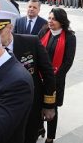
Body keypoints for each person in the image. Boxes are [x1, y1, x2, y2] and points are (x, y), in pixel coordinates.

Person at [0, 10, 56, 143]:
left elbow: (48, 74)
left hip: (31, 108)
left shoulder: (31, 42)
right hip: (0, 110)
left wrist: (49, 105)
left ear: (10, 28)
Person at [39, 8, 76, 143]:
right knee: (38, 105)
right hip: (39, 78)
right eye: (49, 18)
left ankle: (50, 138)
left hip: (55, 81)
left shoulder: (70, 37)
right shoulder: (43, 31)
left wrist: (52, 80)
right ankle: (40, 128)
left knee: (51, 109)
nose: (50, 21)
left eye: (54, 19)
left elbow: (68, 62)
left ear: (61, 21)